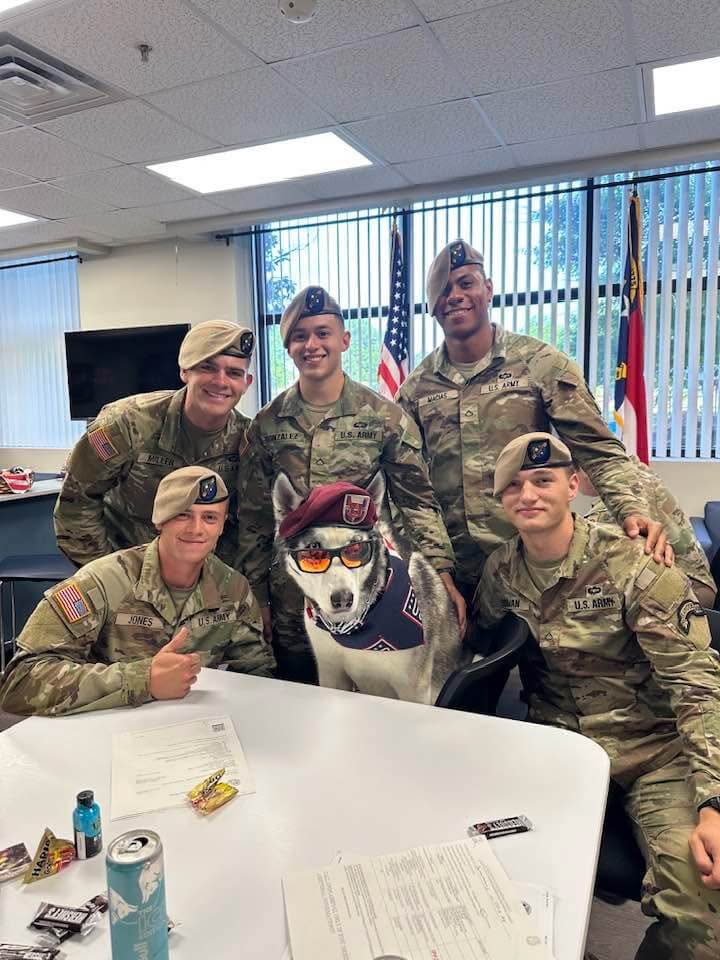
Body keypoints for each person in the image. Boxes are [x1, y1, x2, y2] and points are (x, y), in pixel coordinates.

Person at [475, 432, 720, 959]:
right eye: (513, 487)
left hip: (654, 752)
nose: (529, 495)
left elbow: (697, 685)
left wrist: (714, 804)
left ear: (573, 483)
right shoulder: (500, 572)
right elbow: (480, 651)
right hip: (558, 747)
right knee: (487, 882)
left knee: (702, 921)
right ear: (501, 502)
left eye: (543, 480)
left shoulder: (632, 564)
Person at [396, 238, 669, 608]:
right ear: (432, 305)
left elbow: (598, 451)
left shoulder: (540, 364)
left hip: (534, 561)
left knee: (543, 663)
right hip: (455, 569)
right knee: (468, 664)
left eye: (466, 283)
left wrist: (631, 510)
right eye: (444, 289)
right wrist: (434, 567)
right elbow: (410, 489)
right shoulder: (416, 389)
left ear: (487, 289)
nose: (455, 295)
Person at [236, 285, 461, 684]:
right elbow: (253, 520)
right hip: (295, 598)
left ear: (344, 339)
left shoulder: (384, 417)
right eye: (300, 336)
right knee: (305, 705)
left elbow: (417, 503)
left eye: (323, 333)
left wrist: (441, 573)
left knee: (379, 708)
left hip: (370, 593)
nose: (312, 344)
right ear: (288, 347)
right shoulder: (267, 425)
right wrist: (257, 598)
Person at [0, 467, 275, 716]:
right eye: (183, 514)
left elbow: (257, 675)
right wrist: (141, 680)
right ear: (160, 519)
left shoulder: (233, 589)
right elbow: (19, 682)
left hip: (193, 731)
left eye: (210, 517)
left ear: (222, 526)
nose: (196, 529)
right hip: (103, 733)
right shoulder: (103, 582)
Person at [54, 319, 256, 568]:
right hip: (127, 575)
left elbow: (247, 527)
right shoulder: (126, 424)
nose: (221, 381)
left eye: (234, 372)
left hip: (202, 585)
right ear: (185, 371)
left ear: (247, 383)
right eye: (208, 367)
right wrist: (110, 575)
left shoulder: (249, 441)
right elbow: (76, 503)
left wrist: (221, 584)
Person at [578, 456, 716, 608]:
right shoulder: (633, 472)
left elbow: (594, 558)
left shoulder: (623, 499)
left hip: (690, 591)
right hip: (689, 581)